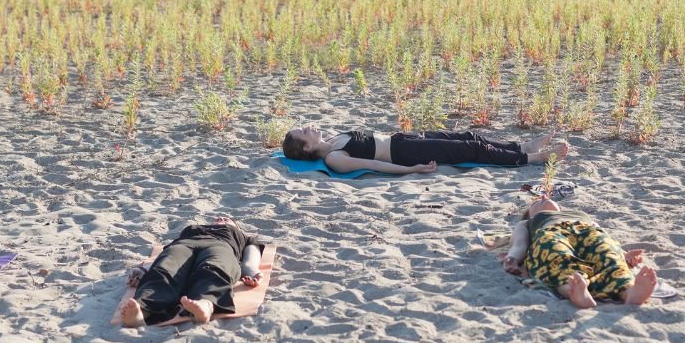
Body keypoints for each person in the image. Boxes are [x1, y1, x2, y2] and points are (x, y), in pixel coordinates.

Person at [499, 195, 658, 309]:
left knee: (608, 255)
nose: (542, 197)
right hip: (551, 233)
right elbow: (520, 243)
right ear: (530, 213)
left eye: (545, 197)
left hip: (586, 232)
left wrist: (624, 254)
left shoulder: (580, 215)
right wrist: (512, 257)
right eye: (535, 202)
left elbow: (606, 238)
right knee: (557, 257)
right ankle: (574, 291)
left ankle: (629, 292)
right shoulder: (529, 222)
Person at [118, 214, 270, 327]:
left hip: (220, 246)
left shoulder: (241, 236)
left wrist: (251, 270)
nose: (221, 219)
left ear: (236, 227)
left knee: (214, 267)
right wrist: (144, 270)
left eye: (227, 219)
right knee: (166, 268)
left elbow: (251, 256)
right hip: (185, 245)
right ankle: (142, 311)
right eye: (218, 218)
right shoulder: (192, 230)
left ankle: (206, 304)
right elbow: (164, 257)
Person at [281, 125, 570, 175]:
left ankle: (520, 145)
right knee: (470, 149)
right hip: (406, 155)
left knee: (468, 135)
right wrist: (411, 169)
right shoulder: (334, 158)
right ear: (307, 148)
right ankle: (530, 158)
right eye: (304, 133)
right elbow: (376, 167)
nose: (309, 128)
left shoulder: (332, 139)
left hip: (403, 139)